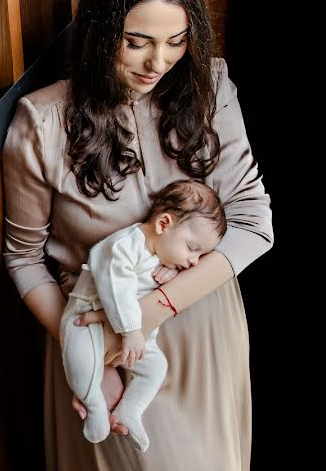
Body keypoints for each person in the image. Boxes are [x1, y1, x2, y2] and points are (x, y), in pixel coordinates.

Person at [1, 0, 273, 470]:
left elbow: (254, 223)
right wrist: (91, 351)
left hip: (204, 326)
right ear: (102, 33)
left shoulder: (209, 86)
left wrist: (151, 312)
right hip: (99, 341)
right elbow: (23, 258)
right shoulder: (43, 123)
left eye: (177, 40)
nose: (159, 62)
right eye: (137, 42)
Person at [61, 179, 226, 453]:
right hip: (86, 321)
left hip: (133, 337)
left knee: (156, 367)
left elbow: (160, 264)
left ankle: (129, 411)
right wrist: (130, 331)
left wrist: (174, 268)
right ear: (163, 224)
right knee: (81, 361)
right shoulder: (125, 245)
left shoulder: (161, 252)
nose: (194, 261)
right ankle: (94, 404)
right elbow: (117, 284)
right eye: (192, 248)